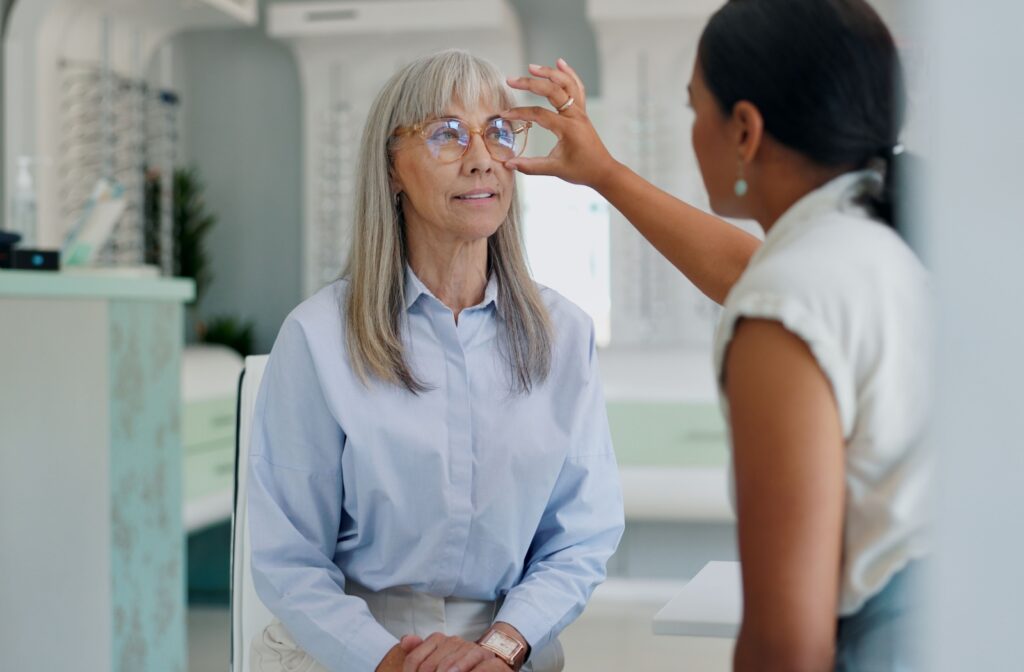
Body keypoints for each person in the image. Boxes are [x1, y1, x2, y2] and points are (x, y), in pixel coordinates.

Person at [503, 1, 929, 669]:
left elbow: (785, 645)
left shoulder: (785, 307)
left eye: (693, 107)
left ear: (744, 131)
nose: (691, 131)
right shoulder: (891, 242)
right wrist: (606, 174)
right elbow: (752, 270)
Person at [247, 49, 624, 672]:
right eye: (446, 134)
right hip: (351, 647)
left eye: (498, 132)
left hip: (511, 647)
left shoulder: (564, 335)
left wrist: (500, 649)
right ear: (391, 168)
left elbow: (579, 539)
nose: (481, 157)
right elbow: (289, 558)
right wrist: (389, 661)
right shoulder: (316, 337)